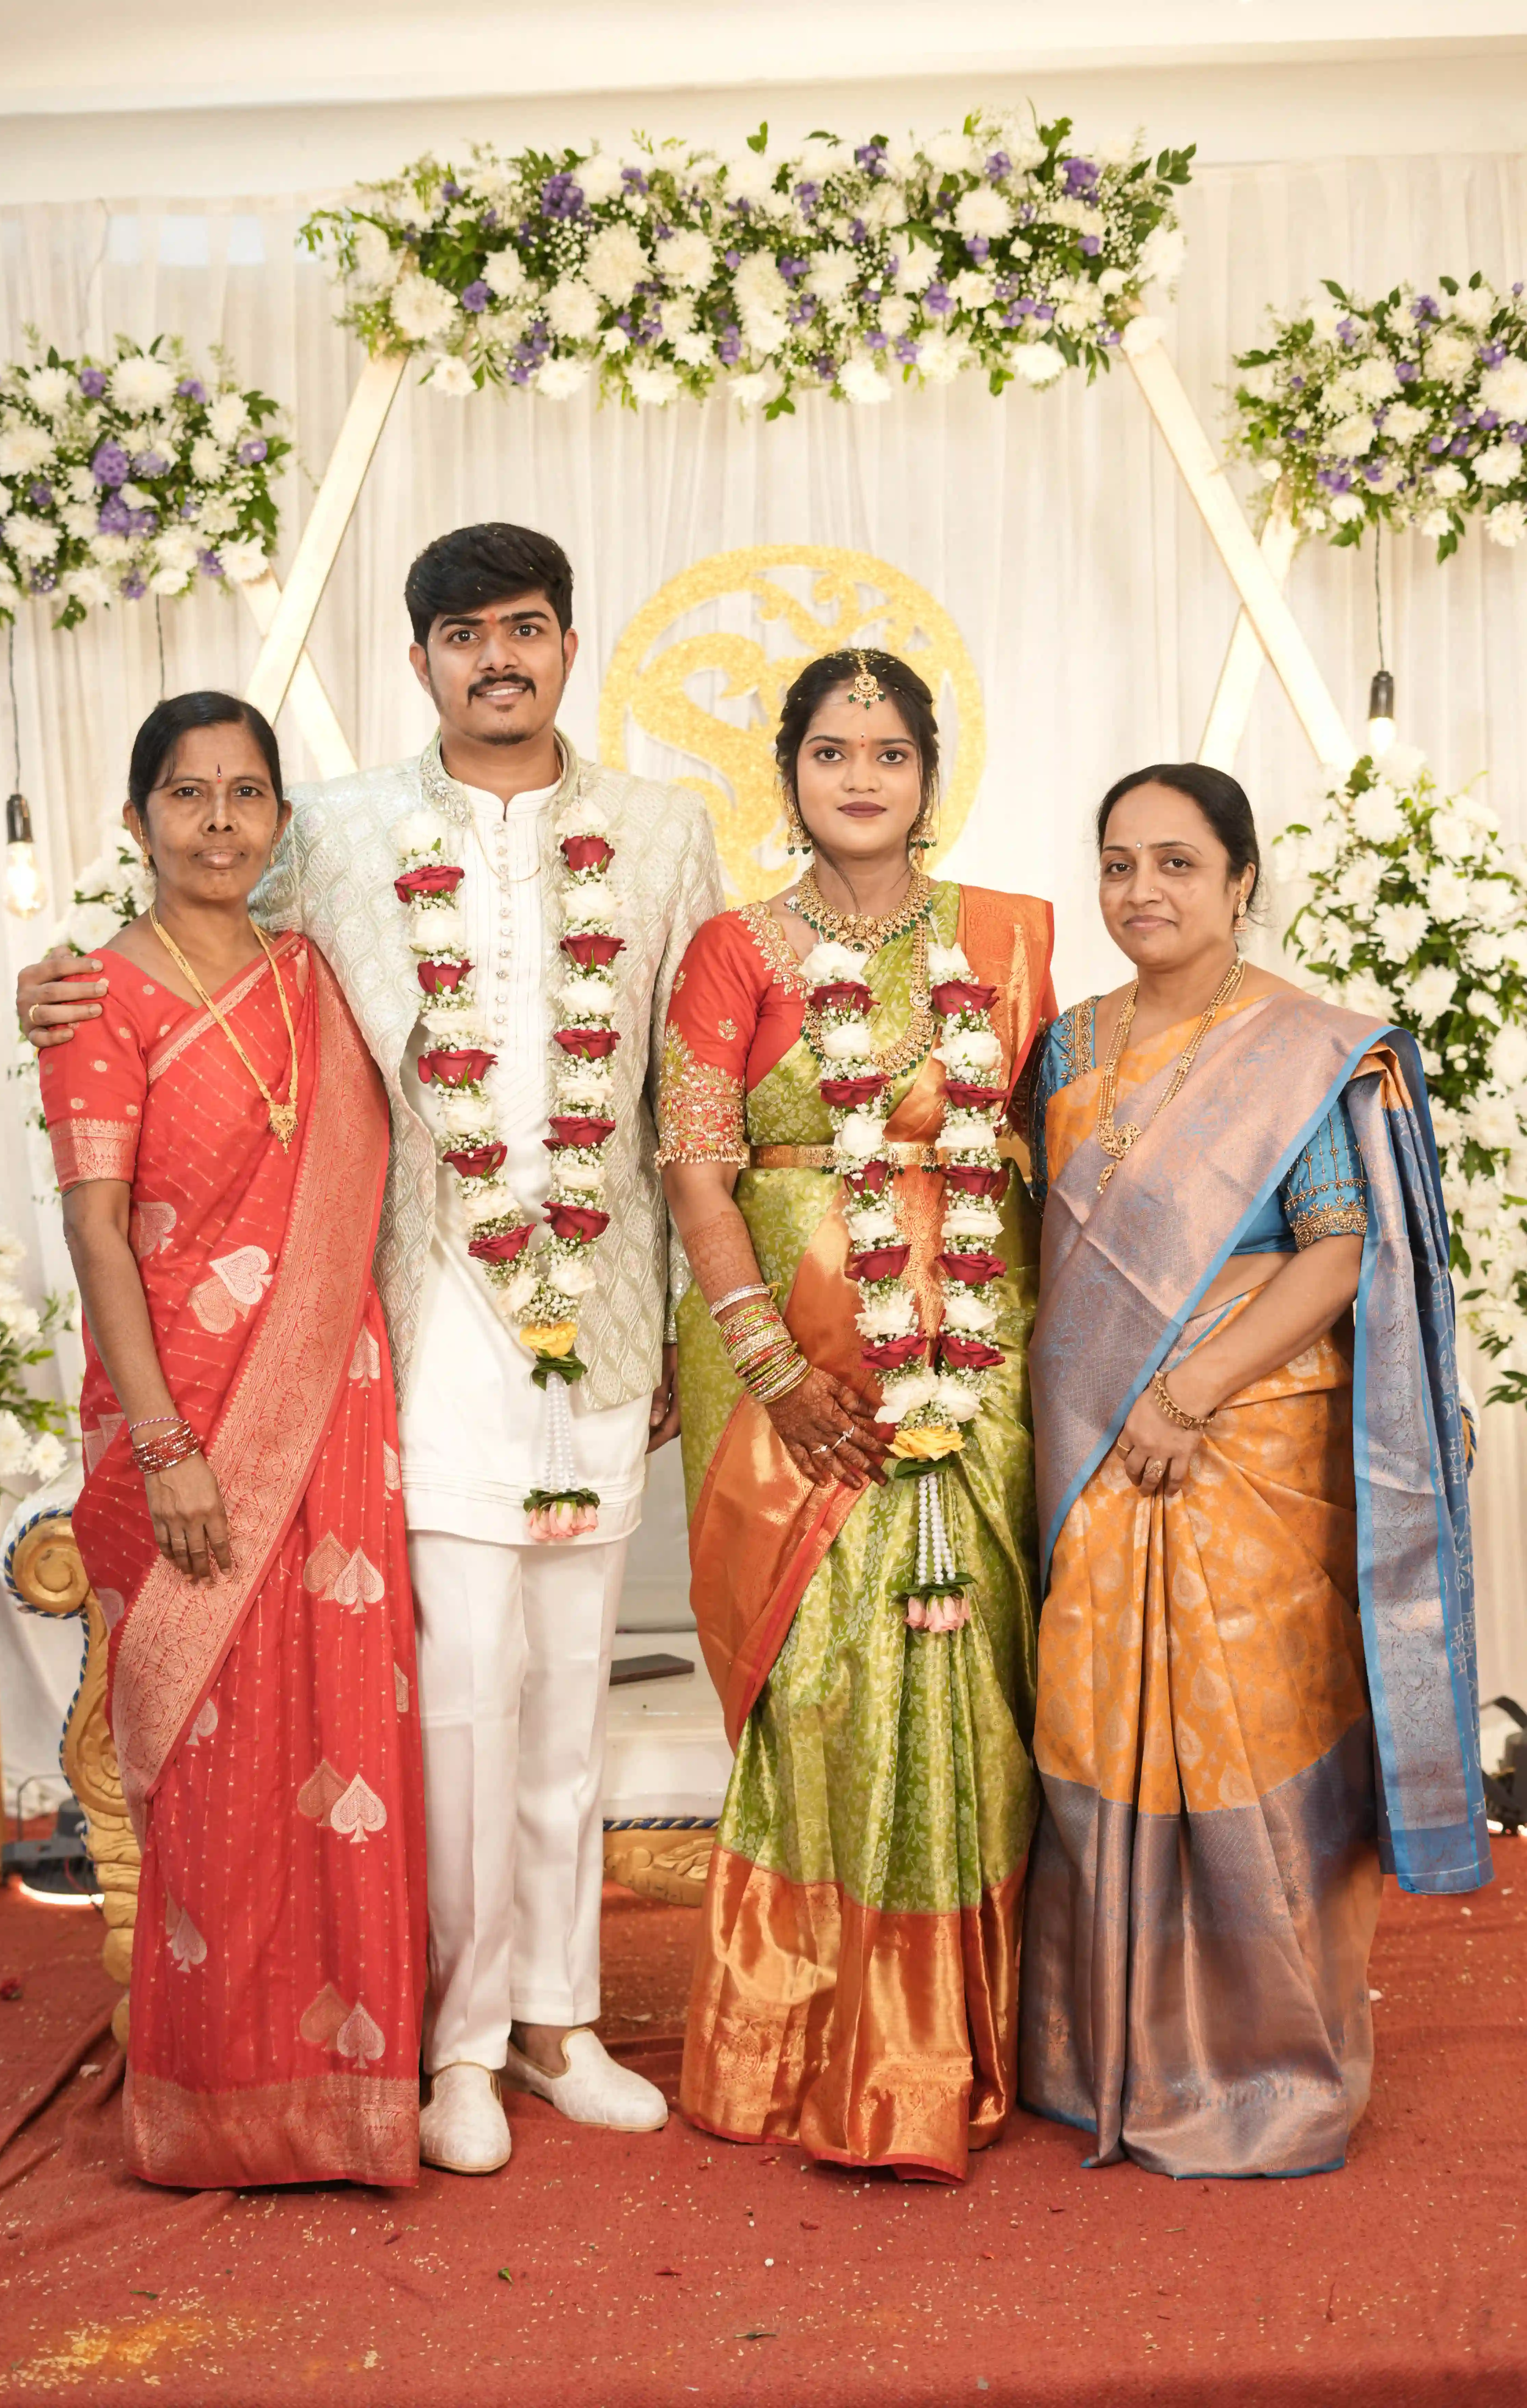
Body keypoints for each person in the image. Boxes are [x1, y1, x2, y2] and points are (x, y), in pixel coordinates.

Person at [18, 523, 723, 2177]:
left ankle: (558, 2021)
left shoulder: (664, 830)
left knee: (572, 1685)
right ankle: (461, 2041)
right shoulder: (331, 831)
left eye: (526, 628)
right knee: (461, 1686)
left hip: (608, 1308)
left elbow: (696, 1075)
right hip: (429, 1316)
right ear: (420, 662)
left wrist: (697, 1321)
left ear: (568, 646)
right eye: (465, 634)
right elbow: (184, 953)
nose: (499, 658)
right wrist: (54, 983)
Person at [1019, 761, 1490, 2181]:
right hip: (1097, 1445)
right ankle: (1102, 2051)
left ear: (1239, 881)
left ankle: (1265, 2063)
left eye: (1177, 863)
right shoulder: (1065, 1047)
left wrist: (1188, 1390)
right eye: (1119, 864)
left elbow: (1336, 1254)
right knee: (1096, 1720)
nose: (1142, 891)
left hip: (1244, 1438)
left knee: (1245, 1730)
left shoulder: (1301, 1048)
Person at [658, 647, 1056, 2181]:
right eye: (833, 752)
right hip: (792, 1378)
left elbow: (1052, 1151)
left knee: (972, 1687)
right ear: (789, 776)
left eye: (889, 752)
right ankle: (800, 2046)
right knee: (820, 1690)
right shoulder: (732, 951)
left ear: (930, 775)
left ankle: (959, 2043)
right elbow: (697, 1174)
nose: (862, 778)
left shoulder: (1008, 939)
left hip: (974, 1355)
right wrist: (773, 1367)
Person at [38, 691, 426, 2187]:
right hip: (182, 1420)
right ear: (136, 820)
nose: (218, 823)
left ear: (280, 817)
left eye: (246, 793)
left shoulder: (319, 972)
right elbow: (95, 1233)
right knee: (213, 1773)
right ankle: (214, 2103)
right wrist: (165, 1448)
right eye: (187, 795)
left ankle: (350, 2098)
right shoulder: (97, 999)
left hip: (334, 1403)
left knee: (345, 1732)